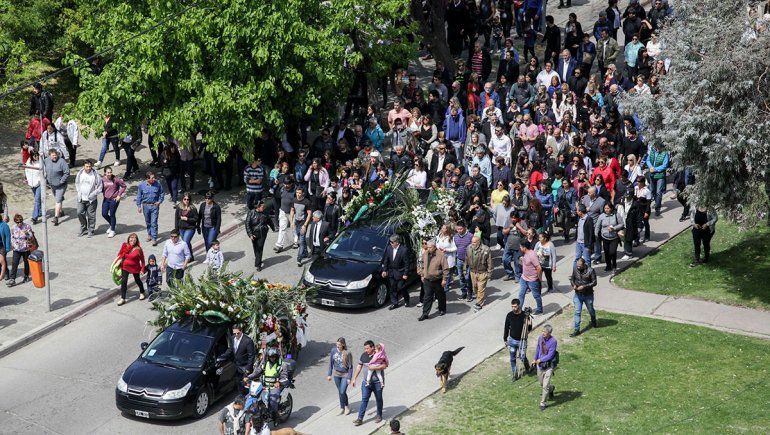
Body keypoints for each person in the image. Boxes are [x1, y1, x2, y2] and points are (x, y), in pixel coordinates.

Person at [351, 340, 388, 426]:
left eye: (367, 348)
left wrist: (374, 367)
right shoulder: (364, 355)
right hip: (366, 383)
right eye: (365, 348)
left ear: (372, 347)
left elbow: (385, 365)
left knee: (378, 399)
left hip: (377, 383)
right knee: (364, 400)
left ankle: (379, 415)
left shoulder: (379, 355)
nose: (365, 350)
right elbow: (359, 366)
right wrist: (354, 378)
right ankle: (360, 418)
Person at [418, 240, 450, 321]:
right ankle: (425, 314)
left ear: (435, 247)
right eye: (427, 247)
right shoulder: (425, 253)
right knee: (427, 297)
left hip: (437, 279)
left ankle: (442, 309)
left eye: (430, 247)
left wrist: (444, 279)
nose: (428, 249)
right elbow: (421, 264)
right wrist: (422, 274)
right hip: (427, 280)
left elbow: (445, 268)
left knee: (440, 295)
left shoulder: (441, 255)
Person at [503, 298, 533, 381]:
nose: (513, 308)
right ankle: (514, 374)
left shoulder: (524, 315)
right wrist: (505, 339)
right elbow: (506, 328)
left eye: (515, 306)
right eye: (512, 306)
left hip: (522, 340)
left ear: (519, 306)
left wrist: (529, 321)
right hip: (512, 340)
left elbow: (529, 329)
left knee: (522, 356)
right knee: (512, 358)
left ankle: (527, 368)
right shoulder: (509, 315)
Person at [115, 233, 146, 305]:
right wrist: (117, 264)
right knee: (124, 281)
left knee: (137, 280)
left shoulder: (138, 249)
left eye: (134, 239)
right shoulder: (124, 245)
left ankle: (142, 292)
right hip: (125, 266)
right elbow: (119, 254)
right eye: (131, 239)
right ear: (128, 239)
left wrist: (142, 269)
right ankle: (123, 298)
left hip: (135, 267)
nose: (132, 240)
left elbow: (143, 260)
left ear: (136, 240)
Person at [570, 258, 598, 337]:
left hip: (588, 295)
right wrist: (574, 285)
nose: (578, 267)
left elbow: (594, 282)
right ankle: (577, 330)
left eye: (580, 266)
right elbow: (572, 279)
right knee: (577, 312)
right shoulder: (575, 269)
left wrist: (584, 286)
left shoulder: (591, 270)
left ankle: (593, 320)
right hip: (578, 294)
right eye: (577, 265)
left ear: (584, 264)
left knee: (591, 310)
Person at [381, 234, 411, 309]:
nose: (390, 243)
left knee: (401, 287)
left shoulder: (404, 250)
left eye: (392, 242)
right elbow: (386, 260)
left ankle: (407, 299)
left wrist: (405, 273)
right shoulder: (389, 248)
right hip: (391, 272)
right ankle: (395, 303)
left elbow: (407, 263)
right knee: (392, 288)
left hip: (400, 272)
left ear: (397, 242)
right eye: (390, 242)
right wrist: (385, 270)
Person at [465, 235, 493, 311]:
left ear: (479, 242)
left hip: (482, 272)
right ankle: (480, 298)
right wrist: (465, 269)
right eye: (471, 242)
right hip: (473, 272)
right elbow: (466, 259)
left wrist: (489, 273)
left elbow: (489, 262)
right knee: (475, 288)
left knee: (481, 289)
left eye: (474, 242)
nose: (472, 244)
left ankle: (479, 303)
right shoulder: (469, 248)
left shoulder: (486, 249)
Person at [74, 160, 102, 237]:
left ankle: (91, 230)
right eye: (87, 166)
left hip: (91, 200)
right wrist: (79, 192)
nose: (88, 168)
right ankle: (84, 228)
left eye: (90, 166)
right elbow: (77, 183)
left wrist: (93, 194)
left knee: (91, 216)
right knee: (79, 212)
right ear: (84, 166)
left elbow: (100, 187)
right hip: (81, 198)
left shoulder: (95, 174)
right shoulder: (80, 173)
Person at [245, 201, 276, 271]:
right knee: (255, 248)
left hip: (262, 234)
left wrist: (273, 228)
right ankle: (258, 259)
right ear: (258, 207)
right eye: (262, 206)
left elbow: (269, 221)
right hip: (254, 234)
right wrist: (250, 234)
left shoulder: (265, 213)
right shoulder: (251, 213)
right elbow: (247, 224)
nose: (264, 207)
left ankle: (258, 264)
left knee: (259, 248)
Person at [136, 172, 164, 246]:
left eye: (154, 177)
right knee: (148, 222)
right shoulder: (142, 185)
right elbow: (139, 196)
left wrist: (159, 201)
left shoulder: (158, 184)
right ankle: (149, 234)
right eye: (152, 178)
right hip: (146, 206)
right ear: (147, 179)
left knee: (154, 222)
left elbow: (162, 193)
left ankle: (154, 238)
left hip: (155, 206)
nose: (154, 179)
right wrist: (139, 206)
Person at [43, 148, 70, 226]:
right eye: (53, 155)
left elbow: (67, 172)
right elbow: (42, 166)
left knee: (57, 200)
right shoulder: (46, 160)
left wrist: (61, 181)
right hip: (52, 185)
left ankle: (56, 217)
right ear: (49, 155)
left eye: (55, 155)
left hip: (61, 185)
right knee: (58, 198)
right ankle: (60, 211)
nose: (54, 157)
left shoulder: (62, 162)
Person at [327, 337, 353, 416]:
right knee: (340, 392)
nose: (337, 346)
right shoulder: (333, 350)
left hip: (345, 374)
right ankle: (342, 408)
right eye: (337, 344)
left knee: (342, 391)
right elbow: (331, 363)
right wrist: (329, 374)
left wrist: (349, 378)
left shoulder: (347, 353)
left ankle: (347, 406)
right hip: (336, 374)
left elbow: (350, 367)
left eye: (339, 344)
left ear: (343, 345)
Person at [534, 324, 558, 411]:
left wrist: (540, 360)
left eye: (545, 332)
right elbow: (538, 348)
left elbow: (550, 355)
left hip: (548, 366)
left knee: (545, 386)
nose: (543, 333)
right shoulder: (540, 338)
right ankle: (551, 389)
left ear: (549, 333)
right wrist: (535, 358)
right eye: (543, 331)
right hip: (540, 366)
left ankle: (542, 403)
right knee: (541, 383)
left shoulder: (553, 341)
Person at [595, 202, 624, 272]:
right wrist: (596, 235)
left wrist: (614, 228)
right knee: (606, 253)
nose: (606, 210)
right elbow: (597, 226)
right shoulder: (601, 216)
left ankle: (614, 265)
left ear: (611, 208)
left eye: (608, 208)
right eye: (605, 208)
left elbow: (621, 224)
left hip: (614, 237)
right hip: (604, 237)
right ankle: (608, 266)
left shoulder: (616, 215)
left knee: (612, 252)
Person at [518, 240, 543, 314]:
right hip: (524, 278)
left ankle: (539, 309)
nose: (519, 248)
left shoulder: (532, 255)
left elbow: (539, 268)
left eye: (520, 246)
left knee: (536, 295)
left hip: (532, 280)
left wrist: (539, 278)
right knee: (521, 294)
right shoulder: (525, 253)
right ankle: (519, 311)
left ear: (524, 247)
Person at [290, 187, 312, 266]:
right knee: (300, 238)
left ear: (303, 193)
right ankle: (305, 253)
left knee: (301, 241)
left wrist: (305, 225)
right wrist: (292, 222)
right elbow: (292, 211)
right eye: (297, 193)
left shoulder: (306, 202)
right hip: (296, 222)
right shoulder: (294, 200)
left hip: (303, 223)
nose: (298, 194)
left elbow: (309, 214)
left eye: (299, 193)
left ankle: (299, 258)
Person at [101, 166, 126, 238]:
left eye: (110, 172)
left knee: (112, 214)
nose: (109, 174)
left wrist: (119, 195)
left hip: (114, 200)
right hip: (106, 199)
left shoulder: (116, 179)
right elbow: (100, 187)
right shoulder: (102, 179)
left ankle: (113, 230)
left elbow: (124, 186)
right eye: (108, 172)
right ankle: (112, 224)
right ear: (105, 173)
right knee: (104, 214)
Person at [645, 142, 669, 216]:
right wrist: (650, 167)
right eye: (657, 147)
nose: (658, 149)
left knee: (658, 192)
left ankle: (657, 208)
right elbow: (648, 160)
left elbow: (665, 165)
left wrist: (655, 169)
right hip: (652, 174)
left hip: (660, 175)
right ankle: (657, 202)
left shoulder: (665, 153)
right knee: (652, 191)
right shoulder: (652, 151)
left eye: (659, 147)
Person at [175, 193, 199, 261]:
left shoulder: (193, 208)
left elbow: (196, 219)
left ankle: (187, 257)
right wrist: (176, 229)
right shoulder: (179, 207)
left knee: (185, 242)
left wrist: (187, 219)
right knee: (187, 242)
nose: (186, 200)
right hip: (181, 228)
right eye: (185, 199)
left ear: (190, 200)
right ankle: (191, 256)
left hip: (190, 228)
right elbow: (176, 218)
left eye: (188, 199)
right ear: (182, 199)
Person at [453, 221, 473, 299]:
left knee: (468, 278)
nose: (459, 231)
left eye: (461, 229)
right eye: (458, 229)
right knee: (461, 277)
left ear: (464, 228)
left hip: (468, 261)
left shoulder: (470, 236)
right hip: (459, 260)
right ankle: (463, 292)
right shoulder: (455, 237)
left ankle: (470, 293)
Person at [22, 150, 43, 224]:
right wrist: (26, 179)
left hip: (39, 184)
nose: (36, 157)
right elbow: (26, 170)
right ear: (31, 156)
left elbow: (44, 172)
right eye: (34, 156)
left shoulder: (40, 162)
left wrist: (41, 181)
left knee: (37, 200)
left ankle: (35, 217)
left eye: (37, 155)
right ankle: (40, 211)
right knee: (37, 198)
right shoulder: (28, 161)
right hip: (31, 184)